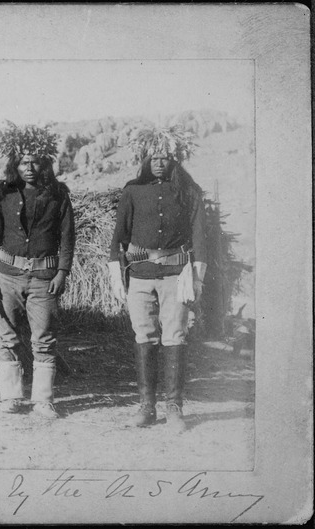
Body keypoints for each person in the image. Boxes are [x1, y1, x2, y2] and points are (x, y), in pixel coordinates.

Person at [108, 126, 207, 432]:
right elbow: (118, 238)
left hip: (176, 277)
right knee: (144, 337)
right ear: (145, 159)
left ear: (175, 159)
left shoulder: (188, 192)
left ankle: (174, 408)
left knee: (175, 337)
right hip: (139, 277)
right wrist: (116, 274)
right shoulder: (133, 192)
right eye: (154, 157)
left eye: (165, 157)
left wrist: (198, 278)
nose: (160, 163)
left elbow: (200, 237)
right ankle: (146, 407)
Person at [0, 122, 75, 417]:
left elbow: (68, 236)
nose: (29, 167)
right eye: (23, 162)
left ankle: (43, 400)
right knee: (6, 335)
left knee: (43, 337)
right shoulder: (4, 194)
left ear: (44, 163)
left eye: (35, 161)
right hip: (8, 275)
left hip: (44, 278)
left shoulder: (57, 194)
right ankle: (10, 397)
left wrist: (61, 273)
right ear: (15, 165)